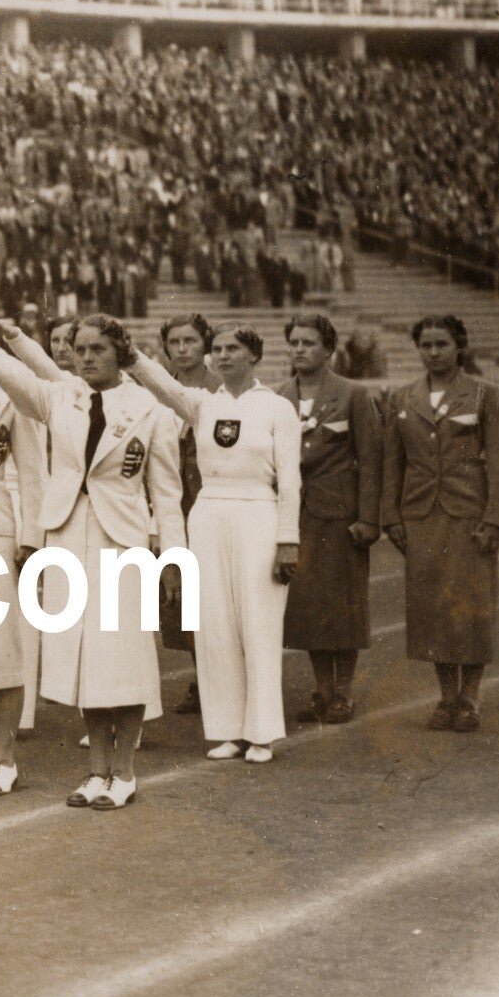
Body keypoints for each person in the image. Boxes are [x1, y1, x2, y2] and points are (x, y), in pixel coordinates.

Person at [0, 307, 184, 811]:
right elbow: (5, 370)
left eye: (97, 349)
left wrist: (174, 557)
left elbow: (167, 493)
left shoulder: (150, 409)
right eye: (80, 350)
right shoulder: (61, 397)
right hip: (69, 538)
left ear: (120, 353)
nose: (86, 358)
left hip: (123, 542)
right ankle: (97, 770)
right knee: (85, 659)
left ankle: (124, 771)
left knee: (124, 656)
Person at [130, 323, 301, 764]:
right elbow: (162, 385)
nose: (223, 356)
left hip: (258, 513)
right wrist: (131, 354)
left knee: (258, 624)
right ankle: (227, 730)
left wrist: (288, 539)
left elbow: (291, 481)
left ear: (254, 355)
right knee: (214, 628)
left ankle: (261, 733)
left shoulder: (277, 408)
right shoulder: (202, 404)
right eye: (218, 349)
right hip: (208, 515)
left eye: (234, 349)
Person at [381, 315, 499, 732]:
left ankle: (469, 697)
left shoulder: (485, 394)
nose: (434, 352)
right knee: (433, 609)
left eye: (442, 344)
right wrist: (391, 517)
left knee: (471, 607)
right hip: (421, 517)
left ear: (459, 347)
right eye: (426, 345)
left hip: (469, 515)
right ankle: (446, 697)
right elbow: (392, 463)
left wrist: (495, 520)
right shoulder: (403, 398)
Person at [273, 313, 381, 724]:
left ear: (329, 349)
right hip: (294, 516)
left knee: (343, 605)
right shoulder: (278, 397)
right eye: (294, 342)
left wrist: (368, 518)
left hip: (339, 516)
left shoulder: (353, 394)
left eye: (309, 343)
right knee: (306, 605)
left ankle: (344, 691)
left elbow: (371, 460)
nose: (300, 349)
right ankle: (321, 689)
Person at [157, 313, 221, 715]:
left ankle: (224, 680)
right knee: (181, 599)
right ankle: (203, 677)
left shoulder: (221, 388)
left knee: (217, 597)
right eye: (174, 342)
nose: (182, 349)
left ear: (204, 343)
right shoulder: (157, 390)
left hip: (209, 500)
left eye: (190, 341)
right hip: (172, 503)